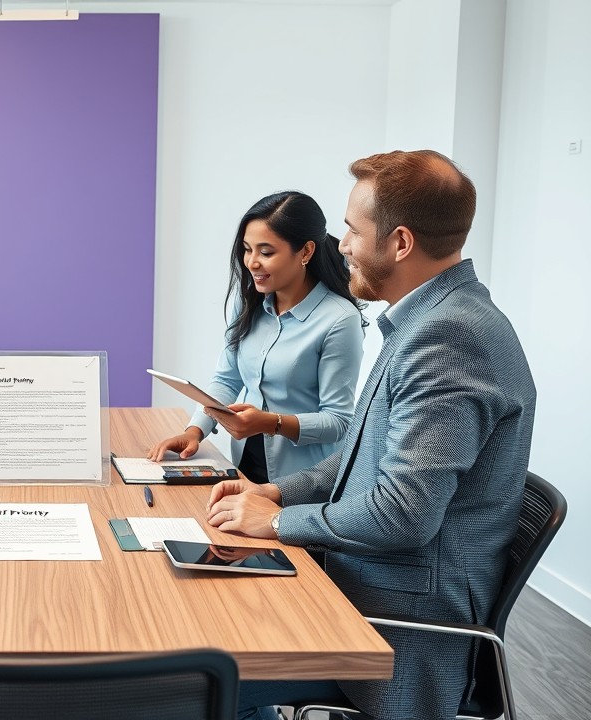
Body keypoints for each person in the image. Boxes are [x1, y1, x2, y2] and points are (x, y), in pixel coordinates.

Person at [207, 150, 536, 720]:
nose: (342, 246)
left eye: (354, 231)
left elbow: (403, 516)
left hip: (399, 623)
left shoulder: (448, 339)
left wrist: (281, 523)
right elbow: (360, 457)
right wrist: (277, 494)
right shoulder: (428, 320)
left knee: (193, 673)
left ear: (400, 243)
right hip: (364, 580)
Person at [149, 191, 364, 484]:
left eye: (266, 252)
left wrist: (270, 423)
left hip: (304, 483)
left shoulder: (339, 320)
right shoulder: (249, 302)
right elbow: (227, 379)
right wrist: (194, 431)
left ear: (305, 252)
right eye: (247, 249)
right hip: (244, 466)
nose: (251, 263)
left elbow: (338, 421)